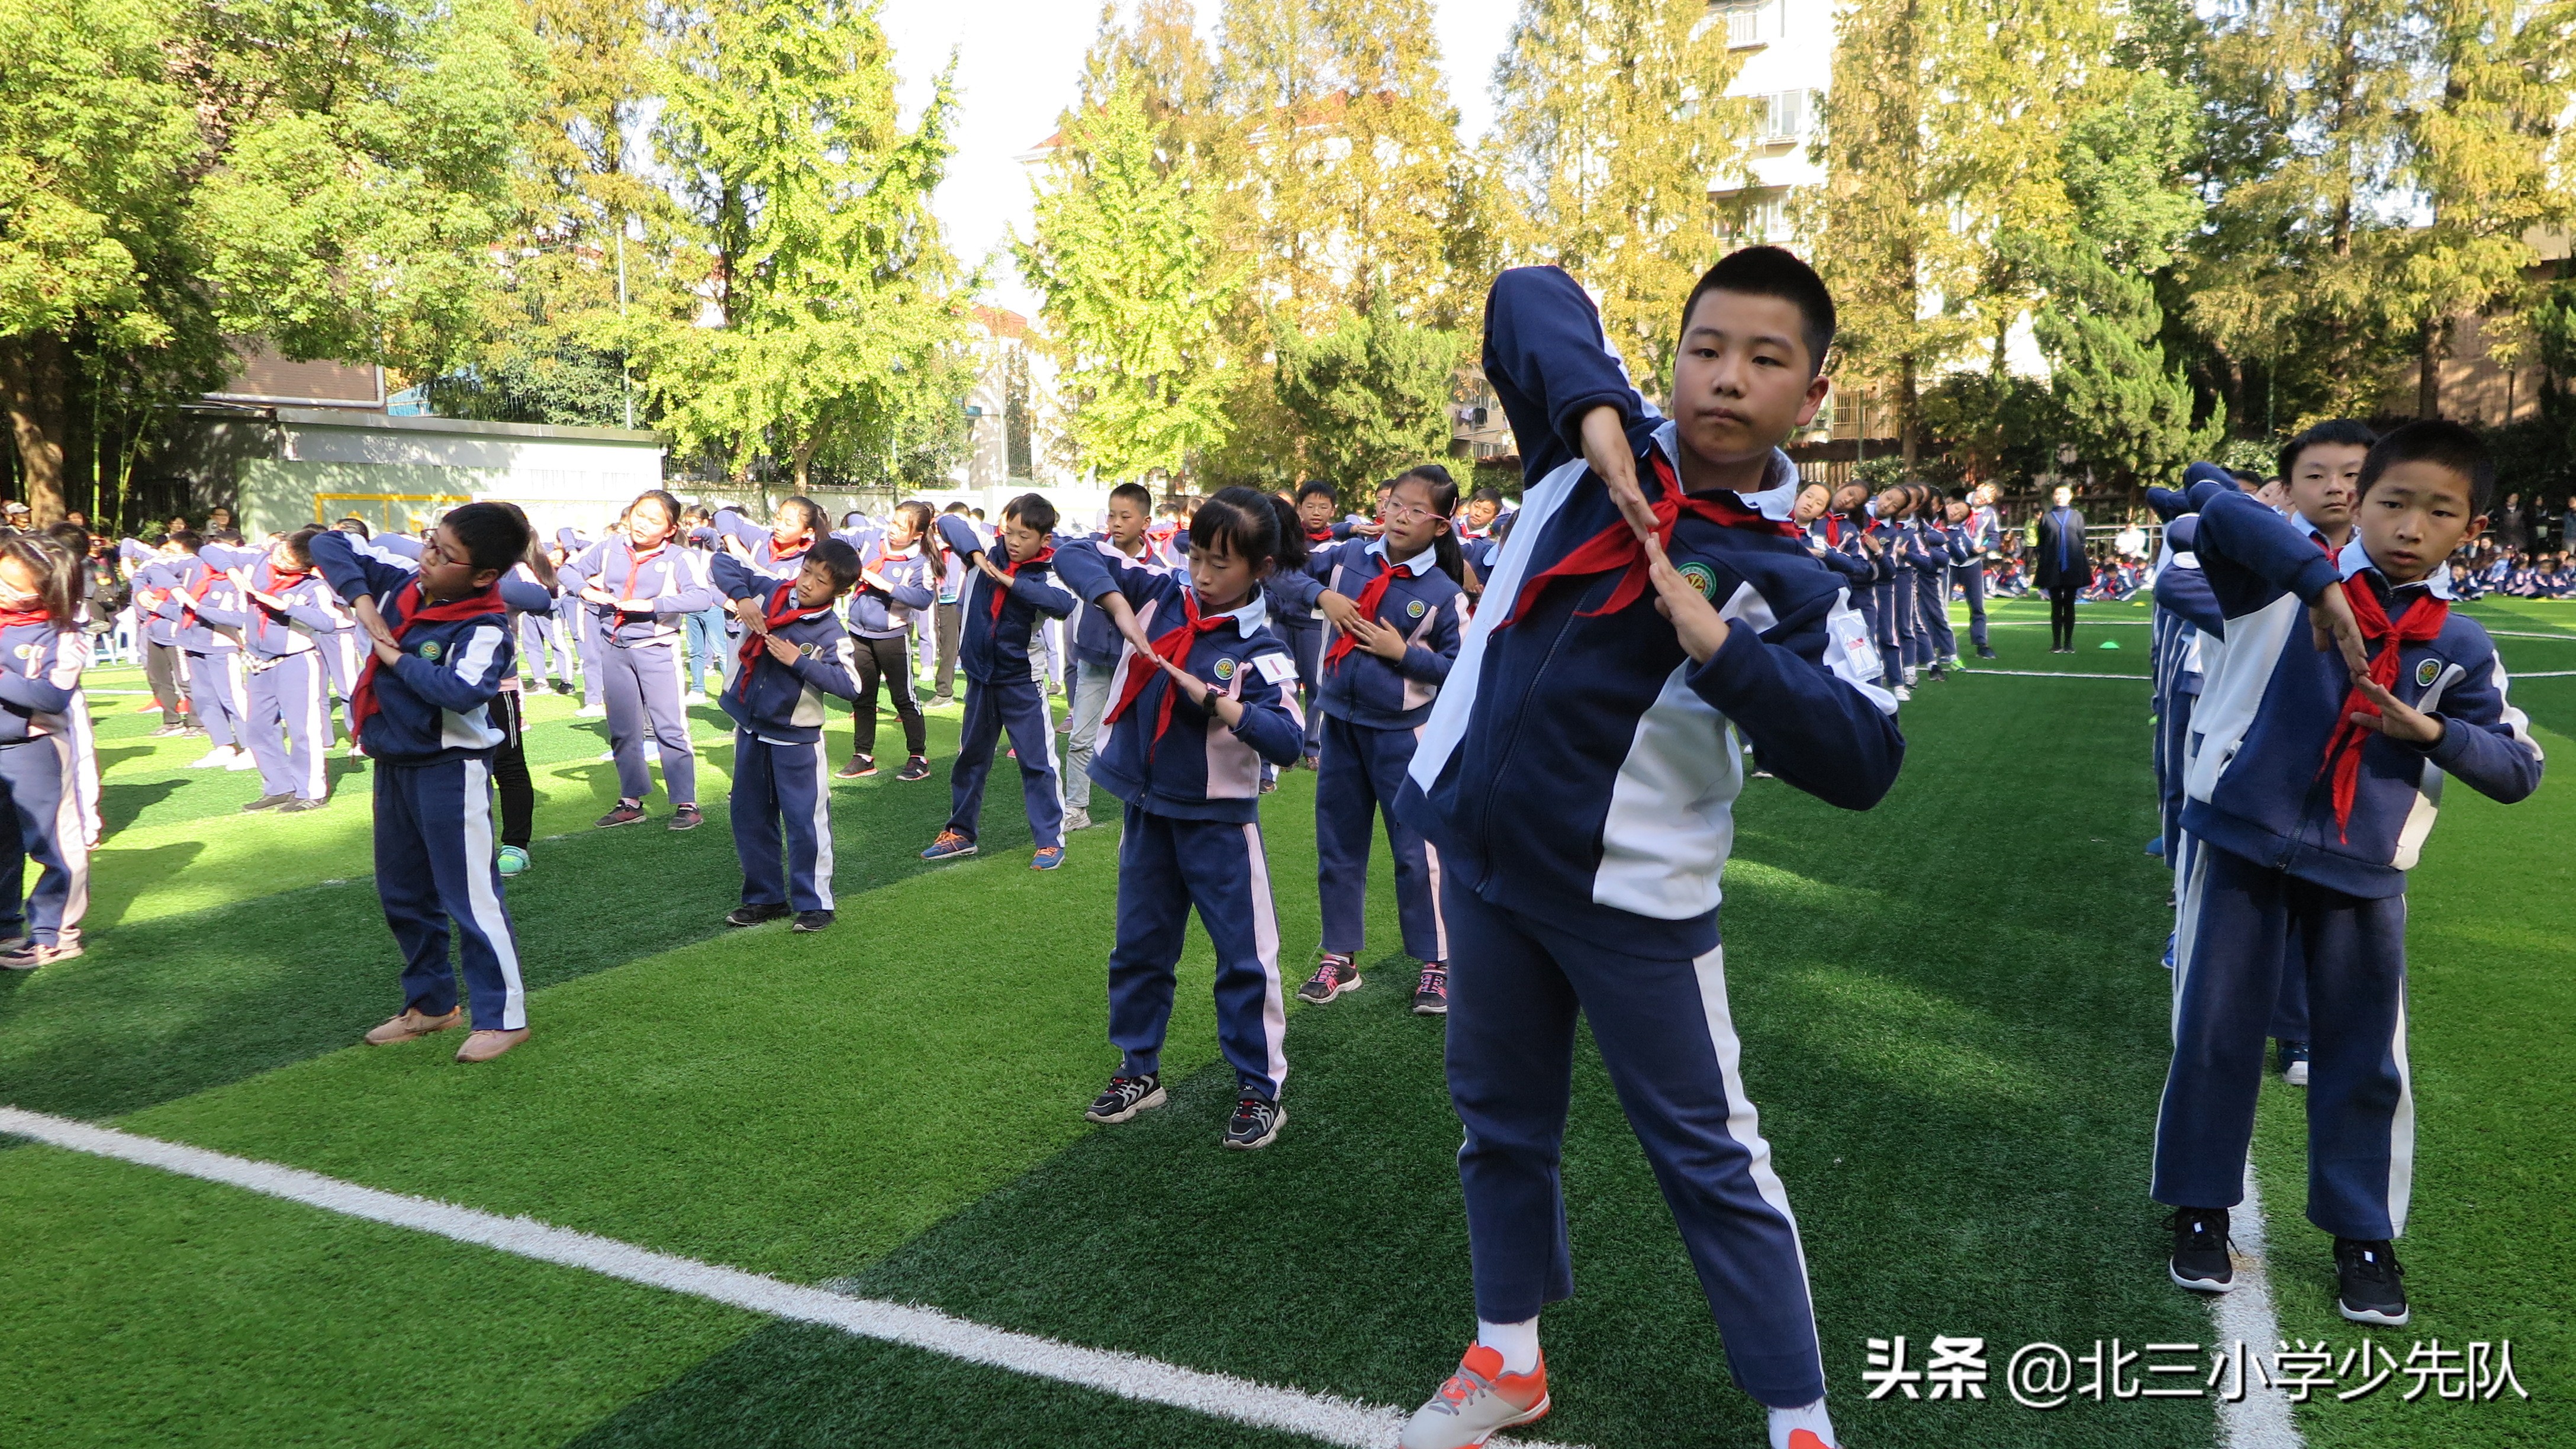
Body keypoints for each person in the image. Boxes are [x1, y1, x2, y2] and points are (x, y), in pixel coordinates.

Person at [1389, 253, 1902, 1449]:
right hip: (1482, 861)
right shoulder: (1577, 452)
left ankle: (1799, 1420)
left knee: (1710, 1158)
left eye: (1765, 361)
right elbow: (1527, 293)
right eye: (1705, 349)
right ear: (1671, 357)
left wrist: (1725, 650)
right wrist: (1604, 426)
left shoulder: (1795, 578)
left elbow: (1866, 760)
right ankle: (1506, 1359)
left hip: (1633, 903)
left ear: (1811, 397)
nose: (1726, 380)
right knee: (1498, 1120)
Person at [2152, 421, 2542, 1328]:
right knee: (2214, 1037)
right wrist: (2321, 581)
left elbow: (2519, 769)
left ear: (2469, 529)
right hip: (2243, 845)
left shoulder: (2462, 644)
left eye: (2438, 511)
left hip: (2365, 873)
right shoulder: (2275, 587)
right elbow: (2209, 509)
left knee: (2366, 1062)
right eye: (2390, 501)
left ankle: (2363, 1236)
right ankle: (2200, 1210)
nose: (2410, 526)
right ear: (2354, 505)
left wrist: (2434, 734)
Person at [1051, 487, 1308, 1150]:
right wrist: (1115, 606)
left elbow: (1289, 739)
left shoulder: (1261, 648)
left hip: (1219, 824)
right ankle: (1140, 1069)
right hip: (1147, 812)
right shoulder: (1159, 593)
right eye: (1196, 555)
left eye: (1220, 563)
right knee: (1138, 948)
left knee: (1245, 960)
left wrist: (1224, 707)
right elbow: (1073, 551)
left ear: (1262, 569)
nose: (1201, 573)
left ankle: (1261, 1090)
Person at [310, 504, 535, 1063]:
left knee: (472, 899)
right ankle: (430, 1003)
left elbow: (460, 690)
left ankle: (504, 1017)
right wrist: (365, 605)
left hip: (448, 771)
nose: (428, 558)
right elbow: (321, 544)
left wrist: (392, 653)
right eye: (431, 543)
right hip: (394, 764)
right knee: (403, 894)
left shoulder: (484, 624)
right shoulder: (398, 583)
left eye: (446, 555)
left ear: (484, 575)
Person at [1295, 465, 1470, 1016]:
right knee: (1339, 846)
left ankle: (1437, 963)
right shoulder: (1346, 559)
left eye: (1417, 510)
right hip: (1340, 726)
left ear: (1441, 526)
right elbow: (1282, 577)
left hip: (1404, 737)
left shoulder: (1444, 591)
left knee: (1418, 856)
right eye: (1396, 503)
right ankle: (1340, 956)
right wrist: (1323, 597)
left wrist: (1404, 656)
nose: (1400, 515)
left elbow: (1461, 668)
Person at [710, 539, 862, 931]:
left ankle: (816, 904)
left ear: (840, 592)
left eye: (821, 581)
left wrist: (799, 662)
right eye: (807, 571)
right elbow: (722, 561)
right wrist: (742, 598)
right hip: (749, 727)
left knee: (804, 822)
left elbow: (851, 686)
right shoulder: (771, 592)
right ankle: (765, 897)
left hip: (796, 741)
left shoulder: (831, 632)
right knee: (749, 816)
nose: (808, 583)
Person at [919, 494, 1076, 868]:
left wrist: (1005, 579)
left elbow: (1061, 605)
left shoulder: (1049, 572)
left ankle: (1050, 841)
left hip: (1022, 683)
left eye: (1024, 536)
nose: (1014, 541)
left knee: (1038, 764)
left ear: (1044, 539)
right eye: (1009, 532)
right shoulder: (985, 553)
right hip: (979, 680)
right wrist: (977, 558)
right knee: (970, 759)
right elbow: (948, 524)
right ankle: (961, 833)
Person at [570, 490, 719, 830]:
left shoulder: (681, 557)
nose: (642, 524)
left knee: (670, 727)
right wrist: (587, 591)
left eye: (654, 520)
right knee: (623, 729)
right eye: (639, 514)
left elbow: (701, 596)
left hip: (657, 650)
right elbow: (569, 572)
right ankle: (630, 801)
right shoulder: (610, 547)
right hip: (614, 647)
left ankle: (687, 803)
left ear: (669, 529)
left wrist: (653, 605)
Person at [195, 528, 342, 812]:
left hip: (296, 660)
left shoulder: (313, 586)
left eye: (291, 561)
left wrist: (284, 606)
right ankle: (278, 785)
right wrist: (231, 570)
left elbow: (328, 622)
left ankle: (310, 790)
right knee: (259, 728)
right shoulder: (257, 560)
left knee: (303, 729)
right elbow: (207, 549)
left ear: (306, 567)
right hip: (258, 659)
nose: (281, 560)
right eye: (282, 551)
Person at [0, 534, 92, 971]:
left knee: (54, 843)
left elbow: (53, 696)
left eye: (12, 587)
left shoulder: (63, 634)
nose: (2, 590)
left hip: (35, 748)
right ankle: (6, 927)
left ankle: (55, 934)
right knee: (3, 844)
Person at [1058, 484, 1171, 825]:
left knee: (1146, 739)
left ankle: (1150, 802)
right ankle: (1076, 808)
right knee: (1081, 737)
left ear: (1146, 522)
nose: (1116, 523)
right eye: (1111, 515)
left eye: (1126, 516)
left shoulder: (1160, 568)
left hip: (1136, 666)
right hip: (1093, 658)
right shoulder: (1090, 550)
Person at [834, 501, 936, 782]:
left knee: (904, 698)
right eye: (893, 523)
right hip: (858, 633)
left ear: (917, 535)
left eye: (902, 528)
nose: (893, 531)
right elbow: (835, 538)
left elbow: (924, 599)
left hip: (892, 637)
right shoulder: (871, 538)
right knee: (862, 696)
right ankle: (863, 756)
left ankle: (918, 757)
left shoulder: (918, 562)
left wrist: (883, 584)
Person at [2036, 483, 2089, 651]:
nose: (2060, 497)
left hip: (2073, 565)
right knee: (2056, 604)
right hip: (2053, 565)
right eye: (2058, 494)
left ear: (2071, 496)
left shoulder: (2076, 516)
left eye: (2064, 494)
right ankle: (2056, 643)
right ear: (2053, 497)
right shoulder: (2047, 518)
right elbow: (2042, 542)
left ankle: (2069, 643)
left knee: (2070, 604)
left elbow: (2081, 540)